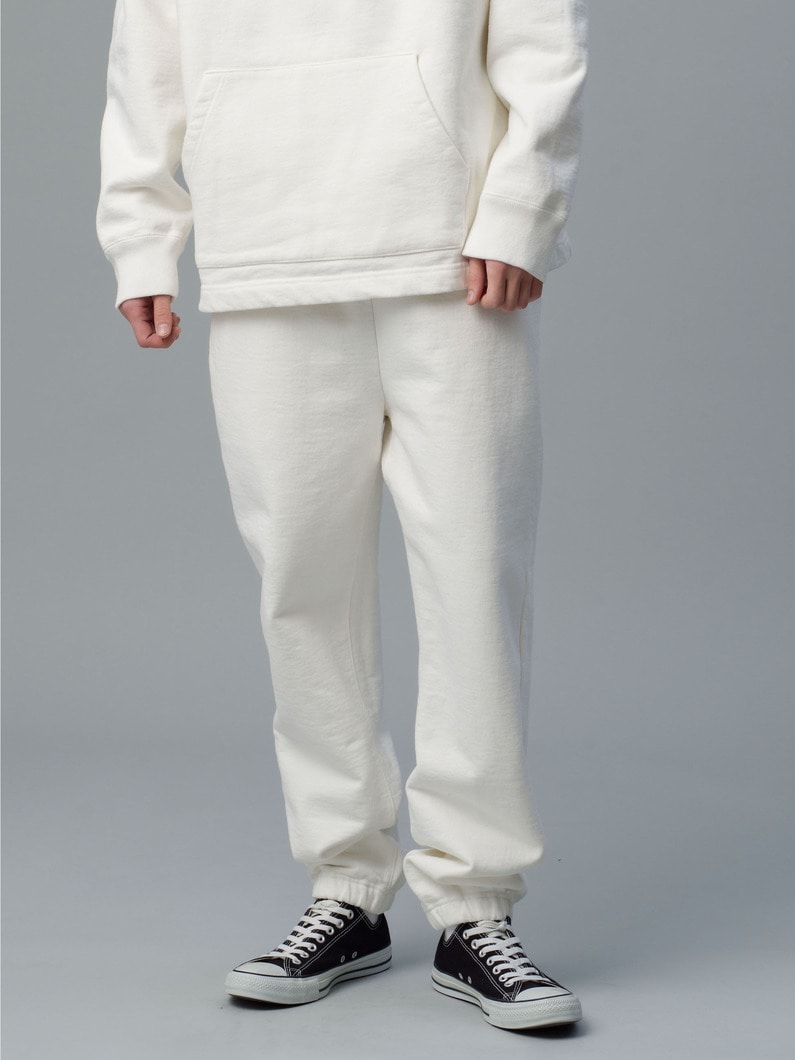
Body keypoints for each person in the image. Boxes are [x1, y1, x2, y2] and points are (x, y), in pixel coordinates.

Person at [96, 0, 588, 1033]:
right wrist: (141, 238)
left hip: (453, 257)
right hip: (264, 247)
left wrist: (519, 209)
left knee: (474, 577)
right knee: (301, 584)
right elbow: (147, 63)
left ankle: (474, 904)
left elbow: (544, 39)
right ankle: (348, 890)